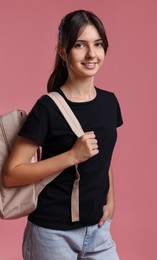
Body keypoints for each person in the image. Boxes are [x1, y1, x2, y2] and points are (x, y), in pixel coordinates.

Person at [3, 10, 123, 260]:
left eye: (98, 44)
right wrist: (71, 156)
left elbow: (104, 158)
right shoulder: (47, 108)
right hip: (51, 234)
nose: (92, 54)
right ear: (62, 52)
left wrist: (111, 201)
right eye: (80, 45)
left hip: (98, 232)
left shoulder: (110, 103)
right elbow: (12, 173)